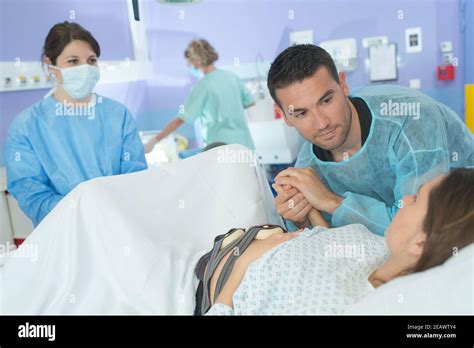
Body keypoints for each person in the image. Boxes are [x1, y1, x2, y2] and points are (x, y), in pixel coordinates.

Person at [204, 168, 474, 315]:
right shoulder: (382, 251)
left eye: (415, 200)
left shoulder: (347, 306)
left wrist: (242, 266)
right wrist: (309, 209)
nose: (403, 200)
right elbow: (329, 252)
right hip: (257, 237)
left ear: (420, 243)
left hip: (218, 272)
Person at [268, 44, 474, 235]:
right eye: (302, 113)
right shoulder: (309, 168)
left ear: (343, 84)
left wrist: (332, 202)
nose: (322, 123)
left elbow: (421, 226)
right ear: (284, 116)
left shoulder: (411, 120)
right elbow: (328, 241)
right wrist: (302, 221)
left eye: (327, 100)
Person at [5, 22, 147, 227]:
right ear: (50, 64)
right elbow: (30, 192)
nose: (85, 69)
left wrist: (111, 211)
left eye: (91, 61)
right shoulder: (27, 125)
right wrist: (82, 211)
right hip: (64, 231)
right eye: (73, 61)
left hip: (119, 225)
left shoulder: (117, 114)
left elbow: (135, 176)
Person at [145, 39, 256, 153]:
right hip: (245, 145)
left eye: (190, 62)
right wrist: (230, 108)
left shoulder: (202, 86)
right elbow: (251, 102)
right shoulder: (232, 77)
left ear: (197, 60)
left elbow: (182, 119)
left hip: (221, 146)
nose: (189, 65)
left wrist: (155, 140)